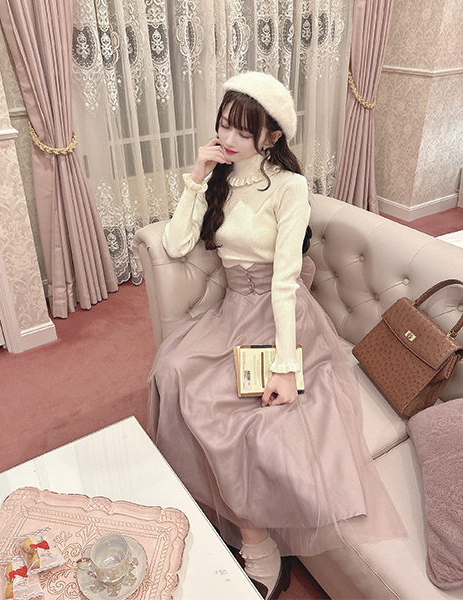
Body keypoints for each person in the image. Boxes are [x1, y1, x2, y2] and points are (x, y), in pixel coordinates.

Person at [147, 72, 405, 600]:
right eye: (223, 125)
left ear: (272, 136)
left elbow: (286, 282)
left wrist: (288, 368)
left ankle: (259, 548)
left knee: (254, 424)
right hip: (233, 312)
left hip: (280, 314)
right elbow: (174, 245)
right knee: (173, 372)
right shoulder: (219, 176)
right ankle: (245, 532)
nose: (228, 138)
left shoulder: (289, 188)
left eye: (243, 131)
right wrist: (196, 176)